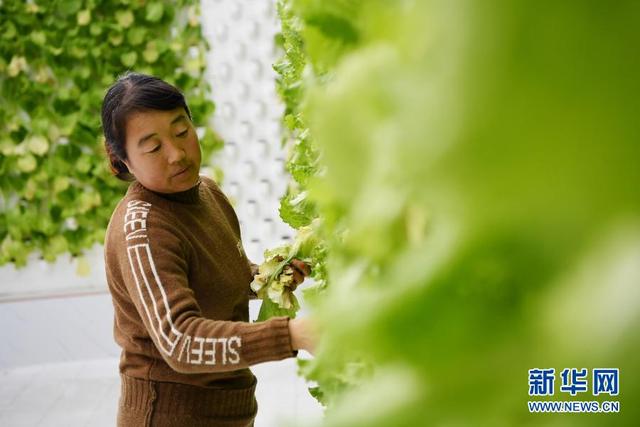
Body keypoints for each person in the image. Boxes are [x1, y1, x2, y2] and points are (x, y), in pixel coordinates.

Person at [101, 72, 317, 427]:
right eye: (153, 147)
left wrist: (269, 278)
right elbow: (180, 341)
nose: (176, 154)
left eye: (182, 131)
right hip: (168, 416)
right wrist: (292, 335)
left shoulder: (207, 193)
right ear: (121, 160)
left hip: (226, 408)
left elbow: (219, 282)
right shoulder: (142, 228)